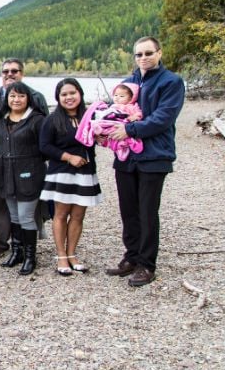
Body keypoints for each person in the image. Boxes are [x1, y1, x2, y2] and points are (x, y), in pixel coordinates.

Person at [105, 37, 185, 287]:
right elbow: (117, 109)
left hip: (155, 154)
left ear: (159, 53)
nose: (143, 58)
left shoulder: (171, 82)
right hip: (126, 156)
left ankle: (147, 264)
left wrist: (131, 130)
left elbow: (164, 117)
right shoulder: (129, 82)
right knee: (128, 210)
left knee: (147, 210)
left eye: (148, 53)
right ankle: (131, 256)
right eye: (138, 54)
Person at [39, 79, 103, 276]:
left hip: (85, 172)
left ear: (80, 94)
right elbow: (44, 146)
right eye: (64, 94)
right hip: (62, 172)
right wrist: (68, 157)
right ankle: (61, 255)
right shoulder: (52, 119)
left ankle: (72, 253)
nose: (69, 97)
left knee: (78, 215)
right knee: (61, 213)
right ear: (58, 98)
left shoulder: (90, 117)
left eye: (72, 93)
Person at [0, 59, 49, 256]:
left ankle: (29, 251)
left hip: (27, 165)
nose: (9, 74)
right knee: (4, 206)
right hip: (1, 164)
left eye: (14, 70)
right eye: (5, 71)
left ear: (22, 73)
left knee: (27, 210)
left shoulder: (36, 99)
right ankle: (9, 246)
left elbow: (44, 136)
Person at [0, 82, 46, 276]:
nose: (16, 100)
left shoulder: (37, 119)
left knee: (25, 215)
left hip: (29, 174)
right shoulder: (0, 118)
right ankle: (17, 252)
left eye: (21, 96)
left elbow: (45, 147)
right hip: (6, 173)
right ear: (7, 98)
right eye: (12, 96)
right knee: (14, 216)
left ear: (28, 98)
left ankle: (31, 257)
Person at [76, 83, 145, 161]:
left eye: (122, 96)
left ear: (130, 98)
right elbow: (106, 114)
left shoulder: (131, 107)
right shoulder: (112, 106)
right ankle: (98, 130)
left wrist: (133, 117)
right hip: (112, 122)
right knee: (103, 123)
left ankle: (120, 148)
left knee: (118, 136)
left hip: (122, 124)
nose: (117, 98)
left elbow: (138, 114)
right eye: (115, 95)